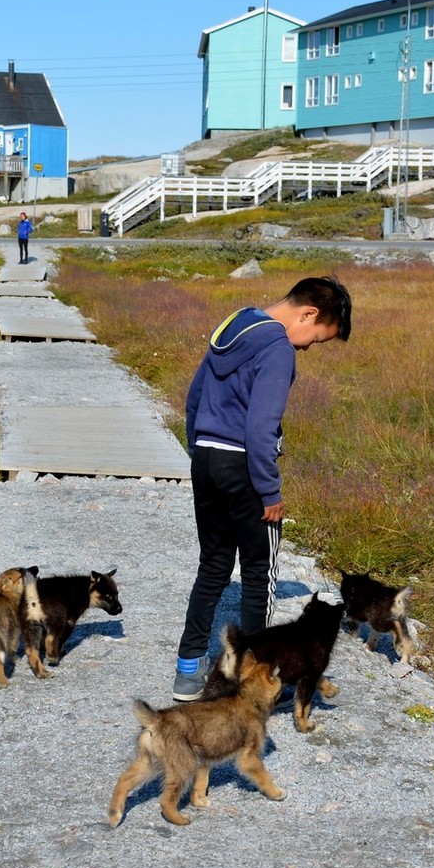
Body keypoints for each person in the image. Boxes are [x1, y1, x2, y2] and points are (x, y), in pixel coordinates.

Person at [172, 275, 353, 701]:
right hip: (244, 466)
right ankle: (252, 680)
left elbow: (195, 398)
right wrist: (269, 491)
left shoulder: (235, 325)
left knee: (213, 565)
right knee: (259, 573)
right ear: (309, 313)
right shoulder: (277, 349)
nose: (307, 347)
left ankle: (187, 669)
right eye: (316, 338)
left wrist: (200, 453)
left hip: (207, 460)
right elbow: (260, 427)